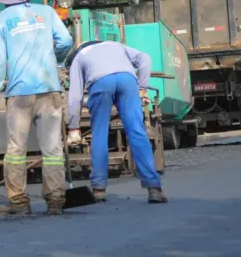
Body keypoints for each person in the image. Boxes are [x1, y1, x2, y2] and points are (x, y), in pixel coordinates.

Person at [0, 0, 73, 216]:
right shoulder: (46, 12)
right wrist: (58, 61)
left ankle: (19, 203)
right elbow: (65, 41)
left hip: (20, 94)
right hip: (50, 90)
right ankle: (55, 202)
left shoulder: (1, 21)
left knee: (16, 149)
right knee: (52, 149)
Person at [65, 40, 168, 204]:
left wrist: (74, 127)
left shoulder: (79, 58)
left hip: (100, 83)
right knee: (137, 131)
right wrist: (142, 88)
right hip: (127, 80)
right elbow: (145, 59)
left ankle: (99, 189)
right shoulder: (116, 45)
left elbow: (75, 97)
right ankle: (153, 188)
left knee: (99, 134)